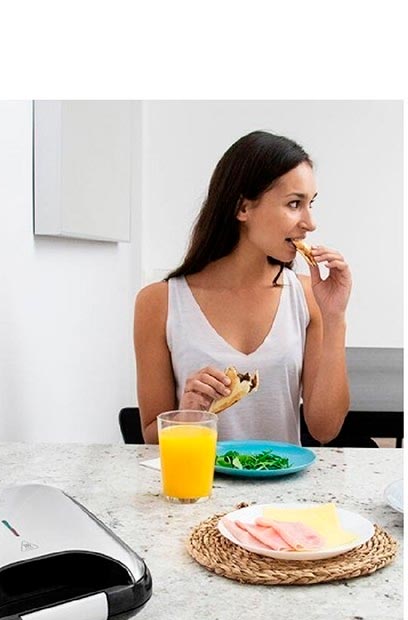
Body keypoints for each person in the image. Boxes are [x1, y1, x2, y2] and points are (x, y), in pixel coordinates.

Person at [133, 130, 352, 445]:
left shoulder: (307, 296)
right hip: (199, 476)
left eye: (310, 204)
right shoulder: (159, 302)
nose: (310, 222)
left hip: (283, 478)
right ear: (242, 208)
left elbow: (325, 429)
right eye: (294, 204)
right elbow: (150, 438)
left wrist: (335, 318)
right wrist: (188, 415)